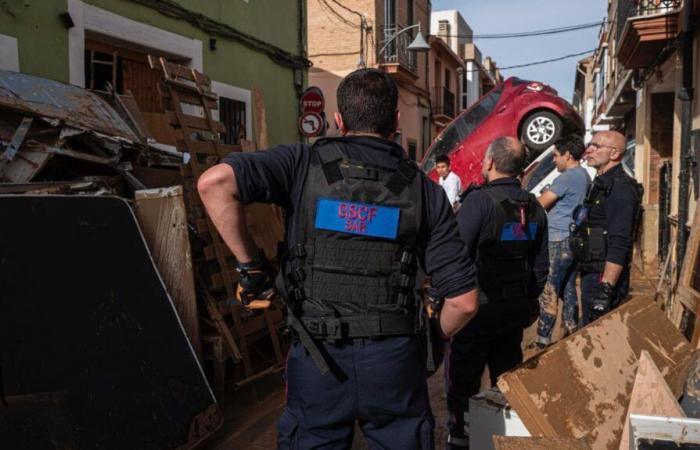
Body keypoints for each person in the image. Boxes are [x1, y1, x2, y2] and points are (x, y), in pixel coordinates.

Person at [197, 68, 479, 450]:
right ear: (396, 121)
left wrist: (251, 268)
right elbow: (463, 302)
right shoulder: (425, 192)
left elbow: (213, 184)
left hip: (318, 358)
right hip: (394, 360)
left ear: (338, 119)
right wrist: (431, 339)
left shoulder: (301, 164)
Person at [445, 137, 549, 449]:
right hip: (513, 311)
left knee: (464, 382)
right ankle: (502, 439)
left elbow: (455, 254)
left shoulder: (478, 202)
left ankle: (462, 438)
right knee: (506, 382)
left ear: (489, 162)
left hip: (478, 312)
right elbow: (541, 266)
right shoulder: (534, 207)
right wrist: (527, 300)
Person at [571, 130, 641, 325]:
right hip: (590, 271)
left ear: (614, 153)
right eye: (589, 145)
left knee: (601, 338)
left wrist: (606, 289)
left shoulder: (621, 188)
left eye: (596, 146)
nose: (588, 150)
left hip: (602, 278)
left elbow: (620, 242)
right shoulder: (601, 184)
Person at [532, 135, 591, 348]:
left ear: (568, 155)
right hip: (572, 239)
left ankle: (542, 340)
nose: (554, 160)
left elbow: (542, 203)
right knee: (568, 289)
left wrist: (534, 199)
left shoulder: (567, 177)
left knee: (550, 290)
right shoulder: (583, 175)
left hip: (557, 239)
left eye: (556, 156)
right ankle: (571, 334)